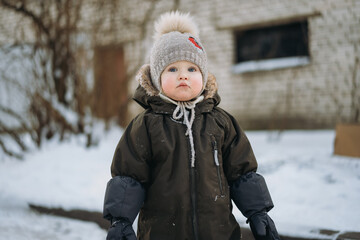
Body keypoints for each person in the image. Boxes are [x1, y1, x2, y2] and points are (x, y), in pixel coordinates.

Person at [103, 11, 280, 240]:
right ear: (157, 78)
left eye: (192, 69)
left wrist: (258, 212)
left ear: (204, 76)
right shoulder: (145, 126)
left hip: (218, 233)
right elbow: (129, 177)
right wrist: (121, 220)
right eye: (172, 69)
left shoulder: (221, 122)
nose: (183, 76)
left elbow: (242, 172)